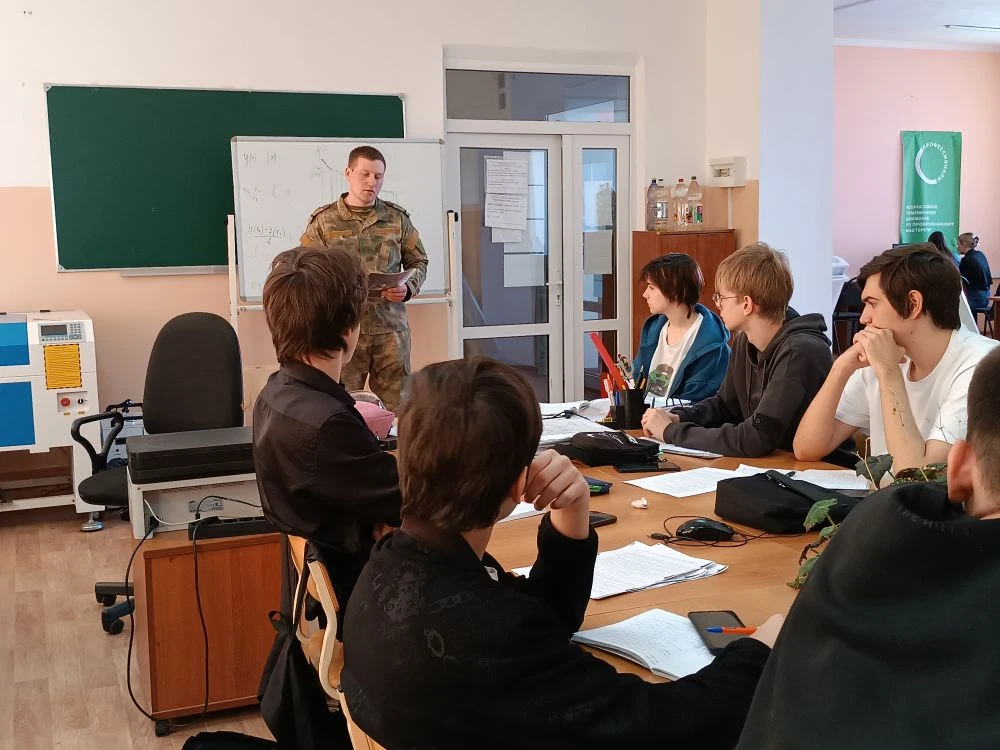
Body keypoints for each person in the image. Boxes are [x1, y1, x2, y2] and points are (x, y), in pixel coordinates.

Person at [341, 355, 783, 750]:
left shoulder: (398, 559)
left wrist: (573, 510)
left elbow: (545, 619)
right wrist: (760, 653)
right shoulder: (493, 633)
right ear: (520, 482)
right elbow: (668, 728)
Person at [737, 346, 1000, 750]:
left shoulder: (884, 530)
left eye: (871, 310)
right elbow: (807, 444)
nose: (863, 319)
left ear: (960, 465)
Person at [253, 246, 402, 610]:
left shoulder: (274, 393)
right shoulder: (330, 425)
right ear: (349, 329)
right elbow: (414, 501)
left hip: (324, 592)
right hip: (372, 600)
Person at [794, 243, 998, 474]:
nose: (864, 318)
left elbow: (918, 478)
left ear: (913, 304)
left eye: (872, 304)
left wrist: (888, 372)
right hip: (882, 498)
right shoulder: (882, 356)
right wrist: (841, 367)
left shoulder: (983, 366)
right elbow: (807, 448)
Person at [640, 243, 835, 458]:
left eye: (721, 297)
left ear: (747, 304)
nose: (718, 305)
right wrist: (679, 417)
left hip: (815, 470)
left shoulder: (800, 352)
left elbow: (757, 438)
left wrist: (671, 432)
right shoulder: (745, 341)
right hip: (773, 465)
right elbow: (726, 406)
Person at [300, 145, 428, 411]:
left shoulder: (397, 219)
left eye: (378, 176)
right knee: (340, 405)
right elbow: (306, 270)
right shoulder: (324, 221)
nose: (372, 182)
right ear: (348, 173)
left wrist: (407, 288)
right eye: (365, 174)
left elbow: (419, 262)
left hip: (390, 331)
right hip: (343, 329)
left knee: (400, 409)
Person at [632, 253, 729, 403]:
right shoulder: (653, 330)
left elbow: (695, 405)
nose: (645, 294)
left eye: (651, 287)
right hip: (643, 415)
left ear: (676, 291)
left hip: (677, 417)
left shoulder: (711, 344)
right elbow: (636, 380)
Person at [957, 232, 992, 312]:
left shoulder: (966, 260)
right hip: (987, 296)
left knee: (955, 307)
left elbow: (961, 283)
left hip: (977, 298)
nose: (957, 247)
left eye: (958, 244)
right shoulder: (980, 254)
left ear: (964, 244)